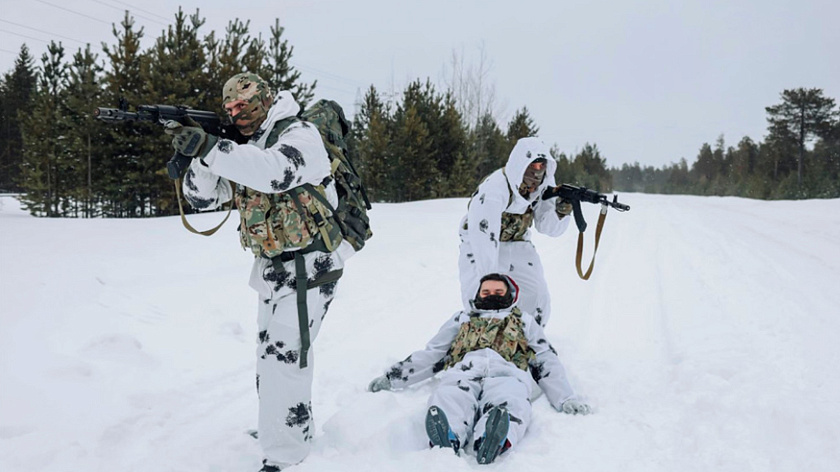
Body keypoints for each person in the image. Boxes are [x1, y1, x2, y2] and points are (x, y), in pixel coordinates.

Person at [165, 73, 355, 472]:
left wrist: (214, 147)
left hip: (311, 266)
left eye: (245, 106)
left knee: (286, 358)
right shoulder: (241, 146)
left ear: (266, 100)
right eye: (230, 109)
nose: (238, 115)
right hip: (271, 270)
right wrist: (199, 154)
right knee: (268, 357)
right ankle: (281, 426)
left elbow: (275, 174)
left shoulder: (299, 134)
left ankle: (285, 454)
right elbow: (202, 199)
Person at [367, 273, 591, 465]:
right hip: (464, 370)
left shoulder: (524, 320)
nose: (491, 295)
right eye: (485, 291)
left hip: (508, 372)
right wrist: (394, 377)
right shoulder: (462, 318)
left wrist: (564, 397)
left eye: (498, 291)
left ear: (510, 295)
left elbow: (545, 358)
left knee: (510, 399)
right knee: (450, 395)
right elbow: (434, 353)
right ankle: (448, 435)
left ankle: (492, 438)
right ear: (477, 295)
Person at [458, 137, 573, 327]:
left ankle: (527, 336)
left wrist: (562, 210)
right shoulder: (494, 189)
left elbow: (548, 227)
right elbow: (483, 234)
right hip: (479, 243)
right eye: (532, 166)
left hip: (518, 242)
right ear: (520, 166)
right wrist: (489, 277)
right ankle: (479, 337)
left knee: (536, 297)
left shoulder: (543, 185)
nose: (537, 172)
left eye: (541, 166)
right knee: (480, 294)